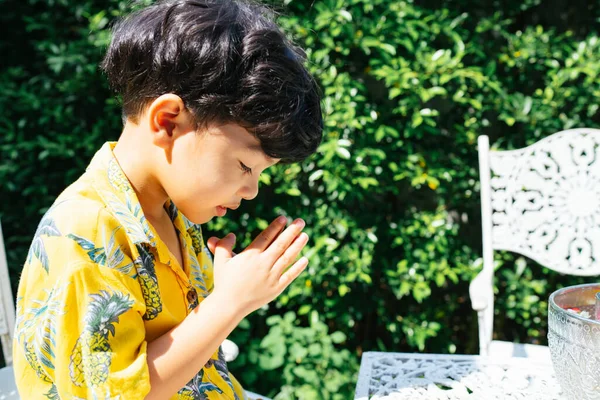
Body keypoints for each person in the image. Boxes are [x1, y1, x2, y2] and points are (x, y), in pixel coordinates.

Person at [12, 0, 323, 398]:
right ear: (168, 121)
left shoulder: (171, 212)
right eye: (246, 166)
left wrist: (225, 293)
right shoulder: (85, 235)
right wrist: (227, 304)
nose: (252, 190)